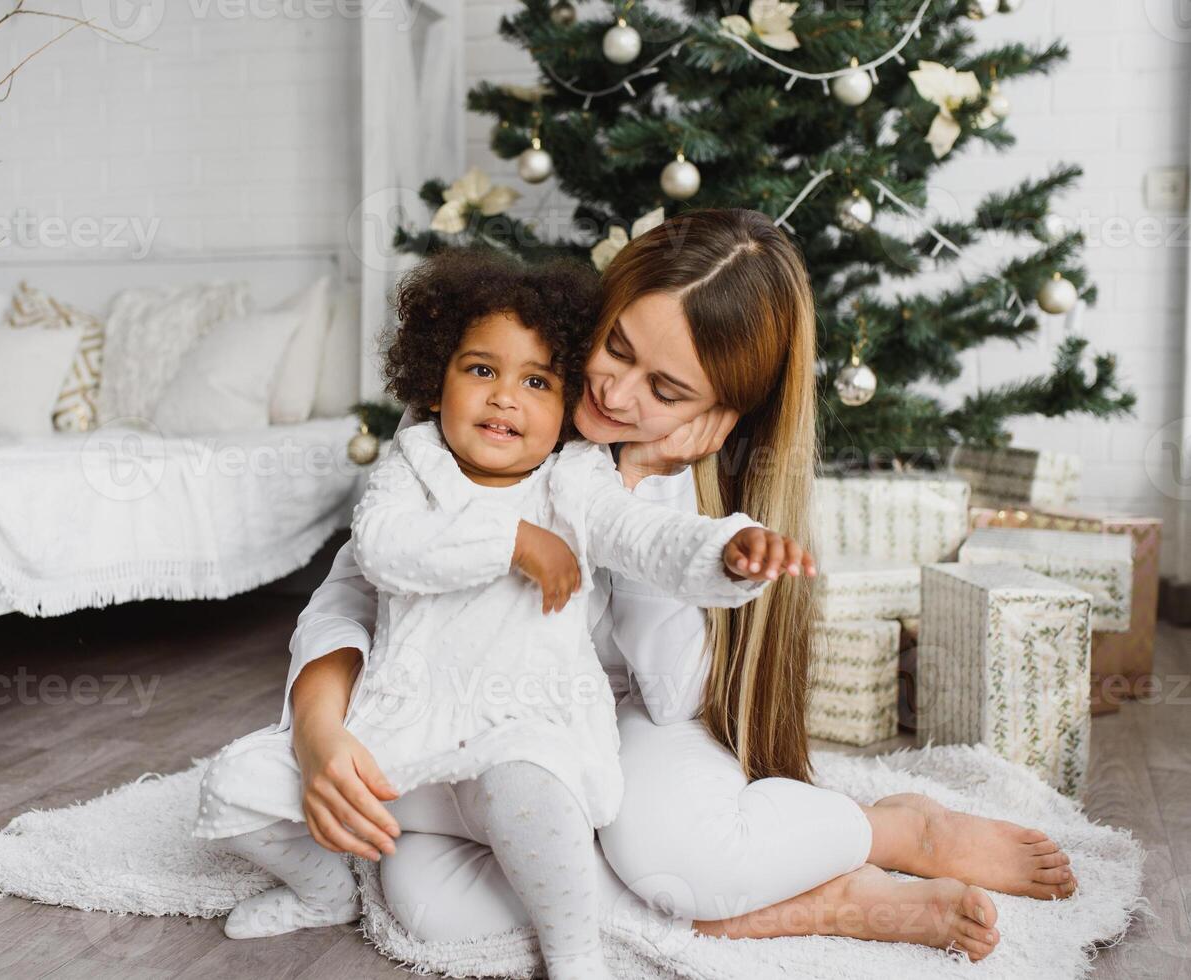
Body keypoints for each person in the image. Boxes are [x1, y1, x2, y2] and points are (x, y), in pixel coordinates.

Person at [281, 211, 1076, 963]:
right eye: (616, 346)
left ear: (721, 414)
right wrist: (319, 729)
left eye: (665, 392)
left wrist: (637, 479)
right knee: (427, 903)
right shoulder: (497, 398)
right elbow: (365, 576)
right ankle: (805, 905)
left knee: (668, 853)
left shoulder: (685, 480)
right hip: (486, 720)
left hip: (622, 715)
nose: (617, 396)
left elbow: (672, 694)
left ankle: (895, 834)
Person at [194, 250, 810, 980]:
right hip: (403, 736)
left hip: (523, 735)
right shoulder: (417, 460)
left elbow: (644, 540)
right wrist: (512, 540)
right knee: (235, 785)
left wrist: (724, 548)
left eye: (538, 381)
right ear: (437, 377)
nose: (504, 398)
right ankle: (325, 890)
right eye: (481, 371)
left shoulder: (577, 477)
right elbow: (381, 554)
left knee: (535, 792)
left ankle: (578, 957)